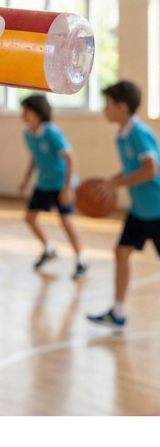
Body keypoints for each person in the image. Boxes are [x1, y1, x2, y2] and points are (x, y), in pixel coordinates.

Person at [87, 80, 160, 330]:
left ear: (122, 107)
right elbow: (134, 168)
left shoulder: (139, 133)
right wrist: (112, 181)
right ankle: (117, 313)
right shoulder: (123, 134)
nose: (103, 110)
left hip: (157, 209)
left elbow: (151, 170)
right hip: (140, 210)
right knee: (121, 252)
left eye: (107, 105)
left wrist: (115, 186)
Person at [17, 94, 87, 280]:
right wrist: (26, 180)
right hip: (44, 183)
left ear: (38, 113)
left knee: (66, 222)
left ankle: (81, 261)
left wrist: (67, 188)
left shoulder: (52, 132)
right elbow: (34, 157)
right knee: (30, 218)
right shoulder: (28, 134)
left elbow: (71, 158)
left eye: (26, 110)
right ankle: (49, 249)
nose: (22, 113)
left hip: (61, 183)